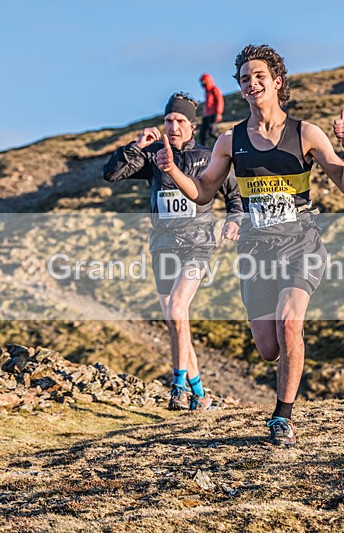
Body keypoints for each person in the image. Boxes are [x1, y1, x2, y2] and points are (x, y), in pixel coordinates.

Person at [157, 44, 344, 446]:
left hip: (300, 244)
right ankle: (288, 375)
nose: (251, 84)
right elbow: (203, 193)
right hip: (255, 252)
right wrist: (173, 170)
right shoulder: (230, 141)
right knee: (269, 348)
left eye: (259, 77)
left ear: (277, 82)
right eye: (245, 79)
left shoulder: (305, 133)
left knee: (290, 323)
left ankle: (281, 417)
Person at [102, 93, 242, 412]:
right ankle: (201, 395)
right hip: (162, 246)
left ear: (191, 126)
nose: (173, 126)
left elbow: (234, 195)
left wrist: (233, 222)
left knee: (178, 309)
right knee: (176, 321)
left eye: (180, 121)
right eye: (168, 121)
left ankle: (177, 385)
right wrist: (138, 145)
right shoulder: (153, 156)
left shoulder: (209, 157)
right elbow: (111, 174)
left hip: (198, 243)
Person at [199, 73, 225, 147]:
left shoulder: (215, 89)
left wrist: (219, 113)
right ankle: (204, 149)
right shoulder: (206, 92)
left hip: (214, 114)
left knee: (212, 131)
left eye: (204, 82)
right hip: (206, 116)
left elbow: (220, 101)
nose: (202, 84)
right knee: (202, 133)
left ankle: (223, 144)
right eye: (202, 83)